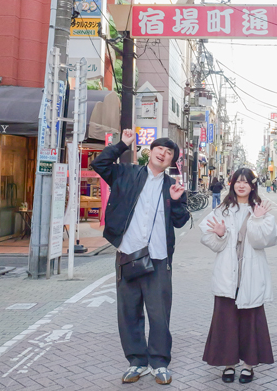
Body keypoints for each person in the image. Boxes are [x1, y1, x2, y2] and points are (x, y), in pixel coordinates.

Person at [91, 130, 190, 386]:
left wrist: (177, 202)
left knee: (159, 314)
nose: (163, 153)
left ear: (171, 162)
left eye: (169, 153)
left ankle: (159, 363)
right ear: (151, 151)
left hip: (158, 258)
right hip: (128, 254)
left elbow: (180, 222)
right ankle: (136, 361)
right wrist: (122, 145)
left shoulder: (172, 186)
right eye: (160, 148)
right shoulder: (126, 173)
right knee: (128, 312)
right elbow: (99, 164)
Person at [199, 168, 277, 384]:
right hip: (227, 274)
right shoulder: (222, 210)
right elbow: (211, 241)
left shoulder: (260, 210)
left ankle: (248, 365)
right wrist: (220, 234)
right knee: (226, 321)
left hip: (251, 274)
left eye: (246, 182)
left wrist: (258, 220)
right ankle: (228, 364)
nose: (241, 185)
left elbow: (265, 241)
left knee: (251, 320)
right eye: (237, 181)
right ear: (232, 184)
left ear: (253, 186)